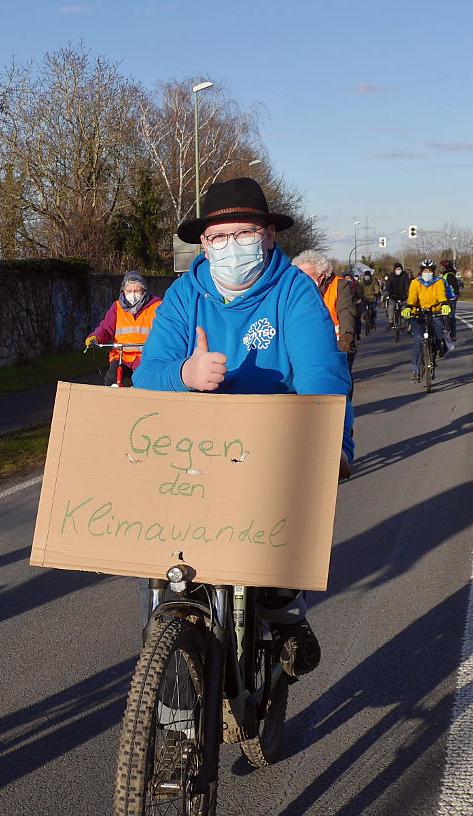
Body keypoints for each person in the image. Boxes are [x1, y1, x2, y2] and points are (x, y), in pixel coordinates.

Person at [133, 176, 354, 677]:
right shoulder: (184, 295)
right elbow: (148, 374)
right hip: (192, 450)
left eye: (244, 233)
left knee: (275, 560)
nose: (231, 247)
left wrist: (332, 447)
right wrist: (185, 375)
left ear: (269, 236)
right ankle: (168, 697)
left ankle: (286, 616)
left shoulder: (295, 292)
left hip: (268, 446)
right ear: (203, 244)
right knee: (167, 567)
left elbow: (322, 374)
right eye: (218, 238)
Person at [84, 271, 162, 387]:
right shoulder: (117, 307)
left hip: (146, 356)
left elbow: (165, 330)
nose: (133, 295)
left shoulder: (157, 306)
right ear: (123, 291)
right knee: (112, 379)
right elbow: (105, 328)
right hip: (122, 356)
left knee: (146, 384)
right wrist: (95, 337)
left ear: (144, 291)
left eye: (136, 291)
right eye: (129, 291)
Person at [292, 249, 358, 372]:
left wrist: (346, 338)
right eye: (299, 276)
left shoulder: (340, 285)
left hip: (336, 342)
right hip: (308, 344)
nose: (302, 280)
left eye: (307, 276)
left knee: (340, 383)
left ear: (321, 276)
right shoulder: (297, 291)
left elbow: (346, 312)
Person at [402, 258, 451, 381]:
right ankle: (416, 369)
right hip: (418, 314)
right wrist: (409, 307)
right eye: (425, 270)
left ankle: (434, 354)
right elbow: (412, 296)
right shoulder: (415, 282)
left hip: (434, 312)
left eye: (429, 270)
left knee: (438, 337)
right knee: (418, 342)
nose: (427, 272)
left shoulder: (439, 281)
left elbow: (441, 294)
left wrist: (444, 304)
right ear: (421, 271)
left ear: (433, 271)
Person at [440, 258, 461, 344]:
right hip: (444, 298)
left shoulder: (450, 275)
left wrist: (455, 295)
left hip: (451, 298)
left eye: (442, 266)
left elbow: (455, 287)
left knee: (451, 316)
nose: (441, 268)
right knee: (444, 316)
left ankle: (453, 334)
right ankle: (447, 331)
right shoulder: (444, 275)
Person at [385, 261, 411, 329]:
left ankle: (403, 323)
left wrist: (408, 294)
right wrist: (387, 292)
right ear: (394, 270)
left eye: (400, 269)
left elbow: (407, 286)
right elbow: (388, 285)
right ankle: (390, 321)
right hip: (393, 296)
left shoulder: (405, 275)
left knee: (403, 310)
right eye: (397, 269)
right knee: (391, 308)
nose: (398, 270)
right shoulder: (391, 276)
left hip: (403, 296)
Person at [359, 268, 381, 333]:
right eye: (365, 276)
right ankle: (364, 317)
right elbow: (359, 289)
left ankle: (373, 319)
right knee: (363, 309)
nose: (367, 277)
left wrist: (376, 292)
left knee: (373, 310)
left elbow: (376, 288)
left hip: (372, 297)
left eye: (368, 276)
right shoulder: (361, 282)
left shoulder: (373, 281)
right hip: (364, 298)